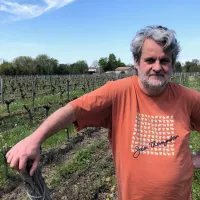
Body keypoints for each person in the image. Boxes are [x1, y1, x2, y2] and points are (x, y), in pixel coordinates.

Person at [6, 25, 200, 200]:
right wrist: (34, 139)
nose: (157, 67)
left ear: (172, 64)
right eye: (150, 60)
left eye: (164, 60)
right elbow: (73, 109)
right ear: (137, 62)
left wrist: (192, 160)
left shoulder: (188, 98)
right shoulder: (118, 92)